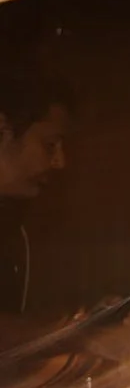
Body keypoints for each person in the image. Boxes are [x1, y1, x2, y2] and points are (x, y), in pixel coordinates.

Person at [0, 63, 70, 322]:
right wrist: (67, 338)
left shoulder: (13, 230)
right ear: (3, 131)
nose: (60, 162)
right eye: (50, 145)